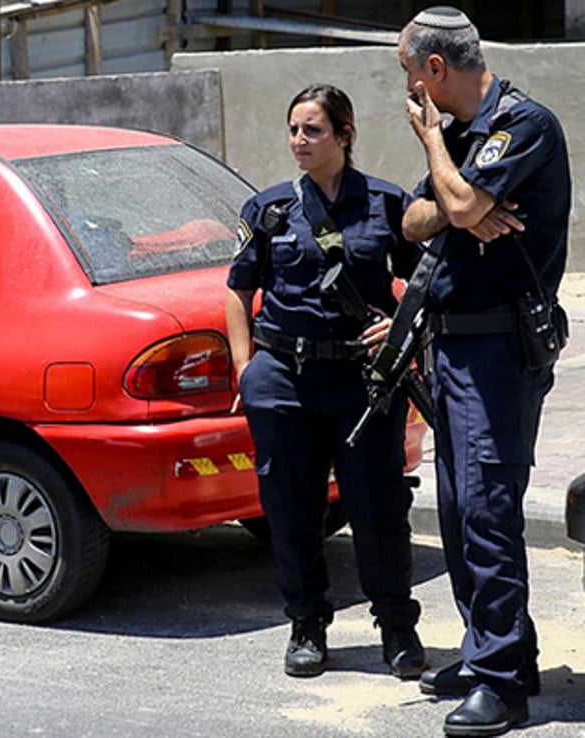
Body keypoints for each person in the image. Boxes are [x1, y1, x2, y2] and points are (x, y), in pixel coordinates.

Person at [397, 7, 570, 736]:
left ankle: (502, 684)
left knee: (489, 511)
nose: (406, 89)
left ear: (435, 71)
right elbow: (413, 220)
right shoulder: (469, 139)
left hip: (500, 350)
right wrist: (456, 207)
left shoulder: (522, 124)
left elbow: (463, 199)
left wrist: (442, 161)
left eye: (409, 73)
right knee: (463, 514)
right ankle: (494, 651)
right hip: (454, 347)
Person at [226, 84, 426, 681]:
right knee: (291, 509)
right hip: (284, 378)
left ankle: (397, 627)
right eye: (293, 130)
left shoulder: (388, 205)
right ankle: (306, 624)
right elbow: (238, 291)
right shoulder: (270, 210)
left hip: (362, 384)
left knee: (378, 508)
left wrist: (396, 328)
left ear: (344, 135)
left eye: (312, 130)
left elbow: (424, 289)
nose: (299, 142)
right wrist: (246, 370)